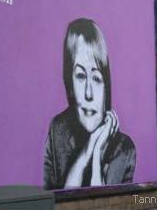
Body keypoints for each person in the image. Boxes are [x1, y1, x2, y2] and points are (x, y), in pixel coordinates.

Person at [44, 18, 136, 190]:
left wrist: (96, 159)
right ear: (70, 86)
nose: (88, 93)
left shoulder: (125, 150)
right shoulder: (58, 131)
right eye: (80, 76)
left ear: (106, 87)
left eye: (96, 78)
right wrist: (88, 149)